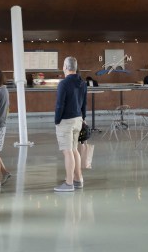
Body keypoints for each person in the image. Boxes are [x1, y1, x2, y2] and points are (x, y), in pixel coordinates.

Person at [53, 56, 86, 192]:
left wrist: (56, 120)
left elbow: (60, 104)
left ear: (65, 67)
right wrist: (83, 117)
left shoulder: (63, 84)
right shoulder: (82, 83)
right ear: (76, 67)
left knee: (67, 152)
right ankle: (78, 180)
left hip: (66, 121)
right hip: (78, 119)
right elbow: (84, 103)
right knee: (73, 150)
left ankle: (69, 183)